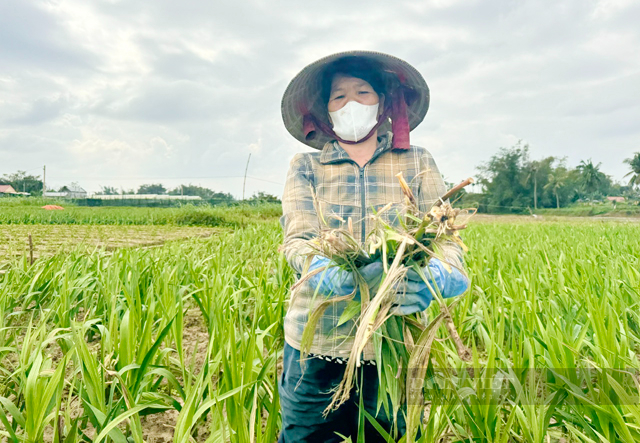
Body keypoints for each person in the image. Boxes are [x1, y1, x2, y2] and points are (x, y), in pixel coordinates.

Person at [278, 51, 469, 442]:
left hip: (391, 340)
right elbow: (297, 239)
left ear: (383, 104)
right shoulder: (306, 166)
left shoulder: (416, 162)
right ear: (326, 111)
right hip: (316, 339)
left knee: (386, 435)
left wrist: (442, 274)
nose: (350, 104)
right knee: (305, 436)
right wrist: (322, 267)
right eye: (339, 97)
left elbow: (446, 238)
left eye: (362, 92)